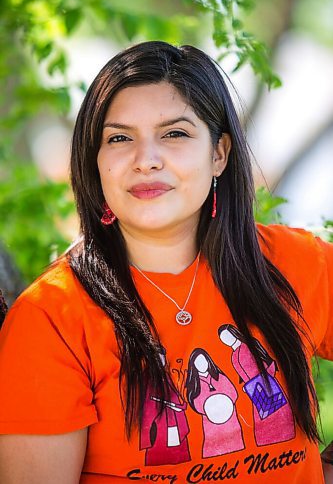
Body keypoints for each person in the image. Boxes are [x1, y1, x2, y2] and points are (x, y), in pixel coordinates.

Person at [0, 40, 332, 483]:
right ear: (95, 163)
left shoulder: (298, 263)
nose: (146, 160)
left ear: (219, 154)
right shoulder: (53, 318)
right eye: (119, 138)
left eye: (175, 133)